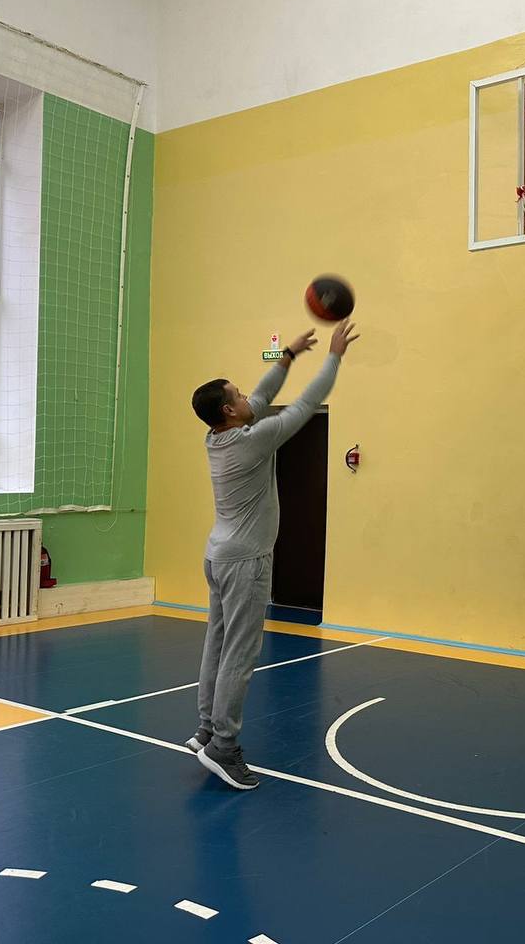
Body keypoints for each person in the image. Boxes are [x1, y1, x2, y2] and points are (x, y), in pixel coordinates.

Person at [187, 319, 359, 789]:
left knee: (217, 645)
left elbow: (262, 397)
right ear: (229, 409)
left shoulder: (217, 436)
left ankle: (206, 731)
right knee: (239, 656)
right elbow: (303, 405)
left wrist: (287, 356)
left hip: (217, 556)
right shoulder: (252, 441)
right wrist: (334, 356)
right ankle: (223, 747)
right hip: (245, 561)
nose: (249, 396)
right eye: (239, 394)